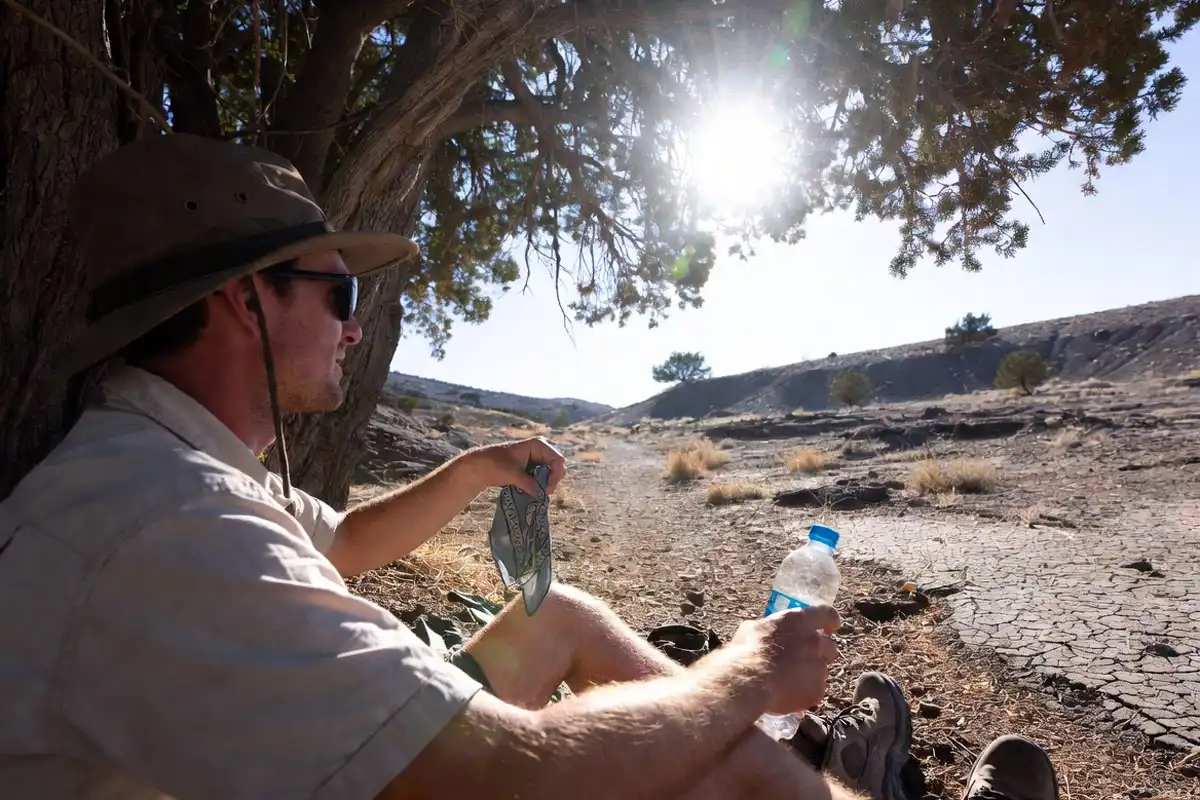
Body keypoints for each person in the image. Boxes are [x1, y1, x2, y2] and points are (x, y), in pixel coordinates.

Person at [0, 133, 1060, 800]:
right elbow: (509, 776)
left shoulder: (173, 460)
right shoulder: (165, 527)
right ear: (242, 299)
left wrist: (472, 467)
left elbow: (351, 542)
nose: (355, 332)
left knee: (566, 616)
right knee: (711, 738)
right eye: (339, 296)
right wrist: (742, 672)